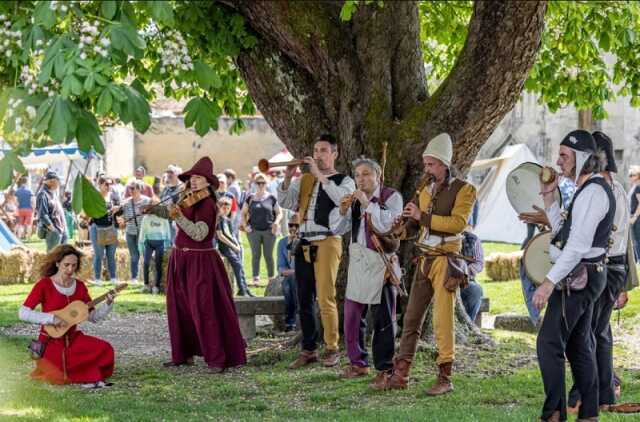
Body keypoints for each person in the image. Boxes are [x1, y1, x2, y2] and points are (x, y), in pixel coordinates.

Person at [374, 133, 476, 396]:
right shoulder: (424, 190)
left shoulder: (465, 189)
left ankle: (445, 376)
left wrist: (422, 215)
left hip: (446, 260)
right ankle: (401, 373)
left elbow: (457, 224)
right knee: (411, 319)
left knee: (443, 320)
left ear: (443, 163)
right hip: (424, 259)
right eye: (426, 164)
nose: (426, 169)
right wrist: (399, 228)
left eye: (431, 164)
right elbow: (414, 227)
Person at [533, 130, 614, 422]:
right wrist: (549, 195)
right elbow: (562, 235)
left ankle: (554, 413)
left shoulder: (592, 192)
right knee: (579, 345)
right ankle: (588, 414)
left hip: (581, 278)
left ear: (582, 159)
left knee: (548, 343)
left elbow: (577, 247)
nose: (558, 161)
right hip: (585, 276)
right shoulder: (585, 190)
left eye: (565, 156)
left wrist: (548, 282)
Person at [147, 157, 246, 372]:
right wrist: (151, 208)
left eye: (199, 178)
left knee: (204, 309)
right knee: (179, 307)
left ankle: (216, 359)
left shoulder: (208, 203)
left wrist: (178, 217)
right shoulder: (187, 197)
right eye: (192, 177)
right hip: (180, 258)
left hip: (200, 260)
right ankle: (183, 354)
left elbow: (200, 234)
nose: (194, 181)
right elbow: (172, 213)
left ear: (208, 182)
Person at [278, 133, 356, 369]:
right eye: (316, 149)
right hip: (303, 241)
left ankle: (332, 347)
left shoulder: (345, 180)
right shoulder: (305, 180)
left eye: (323, 150)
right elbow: (287, 203)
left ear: (335, 154)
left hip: (328, 241)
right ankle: (309, 349)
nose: (318, 154)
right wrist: (286, 179)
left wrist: (321, 175)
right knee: (303, 297)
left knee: (325, 297)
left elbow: (342, 199)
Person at [566, 131, 631, 413]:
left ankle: (584, 392)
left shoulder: (606, 190)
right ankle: (604, 393)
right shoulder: (609, 188)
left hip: (605, 265)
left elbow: (602, 237)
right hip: (610, 266)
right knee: (599, 331)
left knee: (588, 331)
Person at [330, 158, 403, 382]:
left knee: (383, 318)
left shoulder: (392, 197)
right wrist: (342, 211)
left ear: (378, 176)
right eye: (358, 175)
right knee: (352, 315)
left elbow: (387, 226)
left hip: (381, 262)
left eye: (366, 174)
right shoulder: (354, 199)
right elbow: (336, 228)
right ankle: (358, 363)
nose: (361, 179)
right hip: (359, 261)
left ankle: (385, 368)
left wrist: (367, 204)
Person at [19, 245, 116, 388]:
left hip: (72, 339)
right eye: (66, 265)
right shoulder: (44, 285)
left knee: (105, 349)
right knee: (58, 372)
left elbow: (93, 317)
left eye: (74, 265)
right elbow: (23, 313)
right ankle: (86, 373)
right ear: (57, 263)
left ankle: (85, 373)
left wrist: (108, 303)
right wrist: (51, 318)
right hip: (50, 341)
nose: (70, 269)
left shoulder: (80, 287)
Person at [241, 173, 282, 286]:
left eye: (263, 183)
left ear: (266, 184)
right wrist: (245, 226)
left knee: (268, 255)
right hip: (253, 231)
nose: (260, 185)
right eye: (258, 183)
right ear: (255, 184)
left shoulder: (271, 198)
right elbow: (243, 213)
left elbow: (279, 213)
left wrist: (276, 222)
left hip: (269, 231)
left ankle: (271, 278)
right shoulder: (250, 198)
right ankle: (255, 278)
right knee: (256, 255)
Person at [216, 195, 254, 297]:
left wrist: (237, 245)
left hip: (232, 247)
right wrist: (233, 246)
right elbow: (220, 236)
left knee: (240, 266)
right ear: (219, 207)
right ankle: (242, 289)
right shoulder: (218, 220)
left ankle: (245, 289)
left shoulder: (227, 220)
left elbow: (232, 235)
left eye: (228, 208)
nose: (226, 210)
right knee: (237, 265)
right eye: (224, 208)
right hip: (223, 247)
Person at [88, 177, 120, 286]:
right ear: (100, 185)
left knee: (111, 254)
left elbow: (120, 212)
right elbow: (90, 212)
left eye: (111, 184)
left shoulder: (114, 196)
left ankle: (113, 278)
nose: (109, 186)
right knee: (99, 254)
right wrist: (106, 210)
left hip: (111, 228)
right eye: (106, 184)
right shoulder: (94, 197)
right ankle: (97, 278)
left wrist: (118, 209)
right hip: (97, 228)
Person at [138, 197, 172, 294]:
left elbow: (167, 230)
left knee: (158, 264)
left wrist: (167, 243)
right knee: (146, 263)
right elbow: (142, 231)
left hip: (160, 242)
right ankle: (146, 284)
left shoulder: (163, 217)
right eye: (152, 204)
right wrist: (140, 244)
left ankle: (156, 286)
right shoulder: (146, 218)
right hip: (148, 242)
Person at [119, 180, 150, 284]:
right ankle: (134, 277)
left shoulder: (147, 201)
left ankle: (145, 278)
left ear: (139, 189)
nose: (130, 190)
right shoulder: (126, 202)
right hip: (130, 232)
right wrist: (121, 221)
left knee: (145, 255)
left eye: (132, 188)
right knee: (134, 256)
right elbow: (122, 217)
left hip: (143, 233)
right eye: (129, 188)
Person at [276, 215, 300, 332]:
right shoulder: (282, 243)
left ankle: (291, 321)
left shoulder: (306, 241)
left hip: (307, 277)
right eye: (291, 225)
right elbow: (281, 269)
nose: (293, 228)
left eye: (297, 225)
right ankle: (293, 321)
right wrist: (290, 247)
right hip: (292, 277)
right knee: (288, 283)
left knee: (290, 282)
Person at [36, 171, 67, 251]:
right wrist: (53, 229)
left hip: (60, 229)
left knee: (62, 258)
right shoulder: (43, 194)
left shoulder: (52, 193)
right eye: (57, 181)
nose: (58, 183)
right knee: (52, 258)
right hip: (54, 231)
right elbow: (42, 215)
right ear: (51, 181)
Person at [459, 229, 484, 322]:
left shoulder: (473, 239)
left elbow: (479, 263)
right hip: (441, 280)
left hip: (465, 281)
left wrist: (466, 270)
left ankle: (469, 324)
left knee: (475, 290)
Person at [629, 165, 640, 261]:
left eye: (632, 175)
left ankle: (638, 261)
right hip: (634, 217)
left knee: (637, 240)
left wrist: (634, 217)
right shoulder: (635, 186)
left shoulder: (638, 187)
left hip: (636, 218)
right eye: (630, 175)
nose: (630, 177)